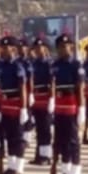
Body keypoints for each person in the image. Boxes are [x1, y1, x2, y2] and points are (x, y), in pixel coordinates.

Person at [50, 32, 86, 174]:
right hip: (59, 108)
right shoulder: (56, 65)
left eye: (66, 46)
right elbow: (53, 84)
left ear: (71, 46)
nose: (63, 49)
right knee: (61, 142)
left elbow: (80, 89)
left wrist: (82, 109)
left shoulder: (76, 65)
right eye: (60, 47)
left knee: (73, 143)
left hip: (72, 107)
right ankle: (65, 173)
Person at [0, 36, 29, 174]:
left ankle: (18, 168)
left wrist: (23, 108)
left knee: (17, 137)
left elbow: (22, 88)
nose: (2, 50)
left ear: (13, 49)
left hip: (16, 104)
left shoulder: (18, 66)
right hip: (5, 104)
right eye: (2, 47)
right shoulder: (2, 65)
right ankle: (11, 166)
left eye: (5, 48)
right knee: (8, 137)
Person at [29, 36, 53, 166]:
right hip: (36, 98)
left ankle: (46, 155)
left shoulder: (50, 64)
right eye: (36, 48)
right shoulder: (34, 63)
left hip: (46, 96)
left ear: (46, 48)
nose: (38, 50)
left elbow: (52, 82)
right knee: (38, 127)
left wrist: (52, 99)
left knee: (45, 128)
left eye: (40, 47)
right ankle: (39, 154)